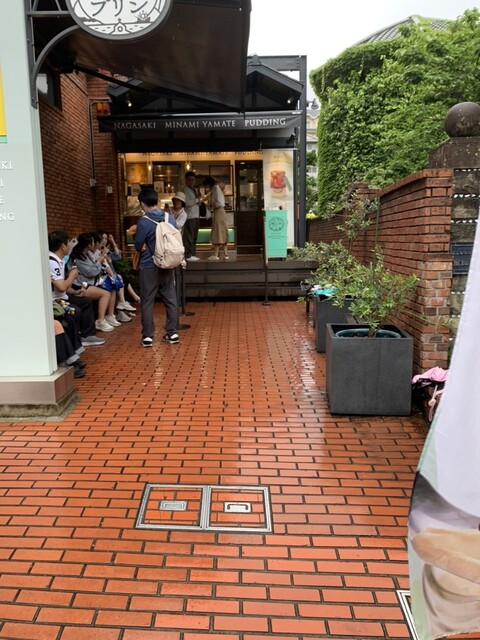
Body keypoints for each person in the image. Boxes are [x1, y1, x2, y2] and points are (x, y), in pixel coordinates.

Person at [134, 187, 180, 347]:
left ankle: (148, 336)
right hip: (167, 263)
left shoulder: (143, 221)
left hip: (148, 264)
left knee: (147, 300)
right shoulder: (170, 218)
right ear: (157, 200)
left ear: (142, 203)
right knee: (170, 298)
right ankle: (172, 333)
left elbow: (138, 245)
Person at [48, 230, 105, 348]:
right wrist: (72, 276)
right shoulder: (52, 262)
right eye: (68, 243)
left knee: (85, 301)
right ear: (63, 246)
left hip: (62, 296)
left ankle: (86, 335)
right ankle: (78, 341)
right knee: (76, 311)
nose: (70, 246)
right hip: (56, 300)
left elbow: (63, 286)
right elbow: (61, 287)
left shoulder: (58, 261)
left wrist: (74, 291)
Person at [68, 233, 118, 332]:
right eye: (93, 242)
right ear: (88, 244)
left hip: (90, 283)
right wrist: (100, 261)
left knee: (112, 288)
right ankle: (100, 321)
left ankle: (110, 315)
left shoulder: (85, 254)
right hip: (80, 286)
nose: (95, 244)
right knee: (105, 294)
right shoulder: (78, 258)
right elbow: (92, 272)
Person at [202, 176, 229, 260]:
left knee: (218, 232)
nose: (205, 187)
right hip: (219, 212)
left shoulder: (216, 190)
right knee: (222, 232)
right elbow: (206, 198)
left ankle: (216, 254)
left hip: (219, 212)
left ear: (209, 184)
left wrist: (211, 205)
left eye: (206, 185)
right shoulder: (214, 190)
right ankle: (226, 255)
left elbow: (220, 203)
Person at [183, 171, 201, 261]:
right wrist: (197, 200)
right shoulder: (185, 190)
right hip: (190, 216)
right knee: (189, 237)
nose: (191, 182)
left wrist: (199, 201)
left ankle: (193, 254)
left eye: (193, 180)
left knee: (194, 237)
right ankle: (188, 255)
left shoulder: (195, 190)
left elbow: (196, 202)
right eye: (189, 180)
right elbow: (187, 203)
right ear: (186, 180)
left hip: (196, 216)